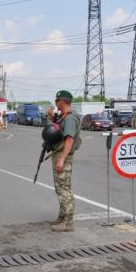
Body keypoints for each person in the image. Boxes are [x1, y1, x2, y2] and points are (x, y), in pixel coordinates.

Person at [45, 90, 82, 232]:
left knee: (64, 189)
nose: (55, 103)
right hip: (59, 155)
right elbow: (55, 132)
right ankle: (62, 216)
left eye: (57, 100)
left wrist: (61, 160)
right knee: (60, 187)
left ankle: (68, 222)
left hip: (63, 157)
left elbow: (69, 139)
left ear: (63, 101)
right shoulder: (64, 117)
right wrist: (50, 117)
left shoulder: (71, 118)